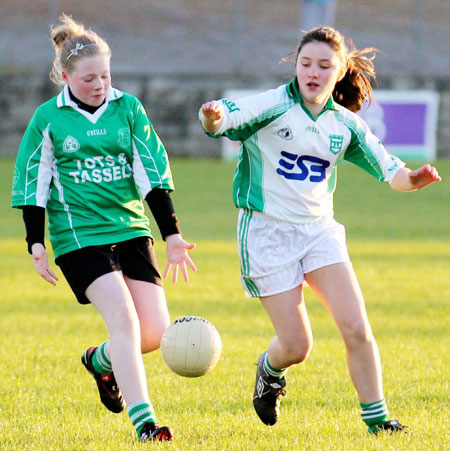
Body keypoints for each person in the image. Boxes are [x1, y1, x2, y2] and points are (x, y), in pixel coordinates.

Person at [199, 26, 441, 434]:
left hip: (319, 233)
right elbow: (221, 120)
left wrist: (413, 179)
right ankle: (269, 369)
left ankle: (378, 420)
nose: (313, 72)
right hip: (266, 233)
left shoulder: (344, 125)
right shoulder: (273, 105)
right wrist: (212, 117)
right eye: (306, 63)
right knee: (297, 346)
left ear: (340, 70)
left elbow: (391, 171)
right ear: (295, 64)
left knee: (357, 327)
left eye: (324, 65)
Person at [11, 14, 196, 443]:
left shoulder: (127, 109)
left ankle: (99, 361)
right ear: (64, 76)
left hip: (130, 229)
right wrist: (36, 243)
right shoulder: (48, 120)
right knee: (125, 322)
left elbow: (152, 173)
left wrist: (171, 235)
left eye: (106, 76)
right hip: (79, 239)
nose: (100, 85)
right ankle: (146, 424)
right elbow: (31, 183)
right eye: (89, 78)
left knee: (154, 333)